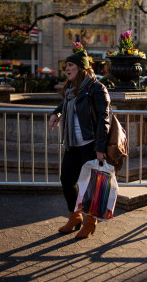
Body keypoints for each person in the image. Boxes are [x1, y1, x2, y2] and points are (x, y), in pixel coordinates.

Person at [49, 46, 111, 239]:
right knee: (67, 180)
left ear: (81, 68)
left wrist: (100, 148)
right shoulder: (71, 89)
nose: (66, 68)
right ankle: (75, 217)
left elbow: (104, 118)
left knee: (88, 186)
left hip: (90, 144)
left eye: (70, 65)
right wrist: (56, 113)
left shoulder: (96, 88)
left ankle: (90, 222)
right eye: (65, 65)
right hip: (72, 144)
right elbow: (67, 103)